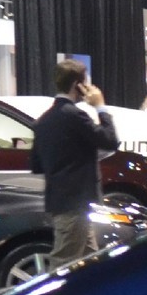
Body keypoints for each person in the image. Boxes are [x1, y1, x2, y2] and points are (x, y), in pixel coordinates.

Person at [27, 60, 119, 267]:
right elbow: (111, 140)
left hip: (60, 202)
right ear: (78, 84)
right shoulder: (75, 116)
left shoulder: (43, 120)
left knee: (90, 261)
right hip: (75, 203)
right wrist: (100, 106)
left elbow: (37, 165)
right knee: (63, 265)